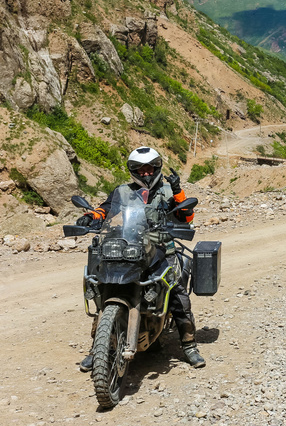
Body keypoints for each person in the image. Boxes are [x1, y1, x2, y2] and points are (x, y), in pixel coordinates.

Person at [76, 146, 206, 370]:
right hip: (131, 247)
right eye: (140, 169)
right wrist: (91, 217)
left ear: (157, 168)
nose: (145, 173)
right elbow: (105, 209)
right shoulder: (123, 191)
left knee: (176, 292)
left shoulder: (167, 191)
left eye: (149, 168)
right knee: (105, 286)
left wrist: (177, 190)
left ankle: (189, 345)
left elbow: (186, 217)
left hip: (161, 247)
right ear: (133, 170)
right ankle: (98, 347)